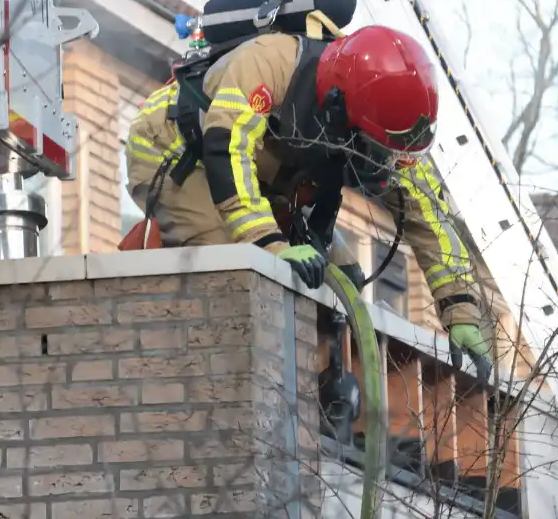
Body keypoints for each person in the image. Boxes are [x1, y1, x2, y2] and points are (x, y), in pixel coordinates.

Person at [124, 24, 492, 377]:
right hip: (178, 151)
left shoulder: (396, 131)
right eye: (377, 151)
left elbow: (430, 217)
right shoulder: (269, 64)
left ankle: (326, 397)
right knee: (239, 266)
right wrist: (270, 243)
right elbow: (228, 151)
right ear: (341, 113)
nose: (387, 165)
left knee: (345, 276)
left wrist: (460, 312)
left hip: (263, 174)